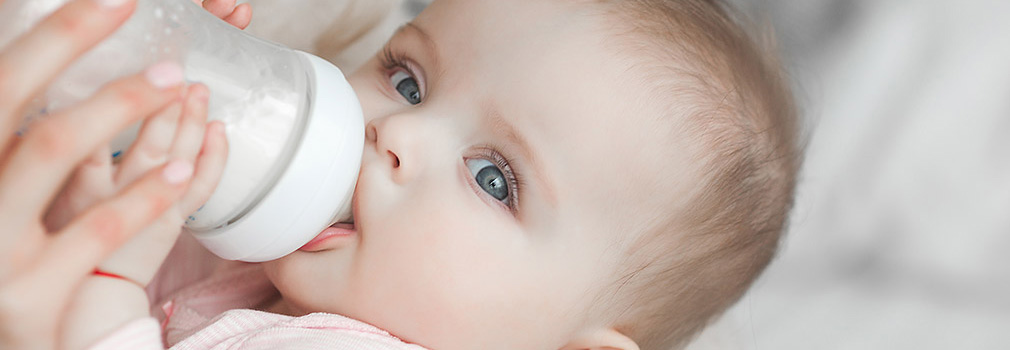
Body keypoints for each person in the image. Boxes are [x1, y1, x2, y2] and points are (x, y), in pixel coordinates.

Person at [0, 0, 799, 349]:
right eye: (410, 79)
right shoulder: (272, 265)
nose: (397, 132)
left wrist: (105, 287)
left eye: (495, 180)